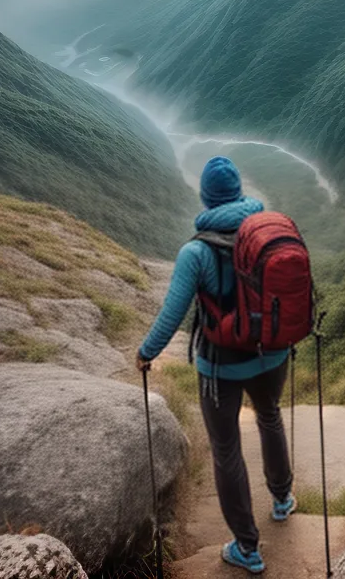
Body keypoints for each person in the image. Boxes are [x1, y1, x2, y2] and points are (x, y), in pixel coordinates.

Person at [137, 156, 296, 575]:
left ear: (206, 197)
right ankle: (282, 500)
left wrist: (146, 353)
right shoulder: (266, 232)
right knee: (270, 417)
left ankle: (248, 547)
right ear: (239, 192)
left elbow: (173, 313)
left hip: (221, 366)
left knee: (227, 451)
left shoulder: (196, 251)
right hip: (272, 353)